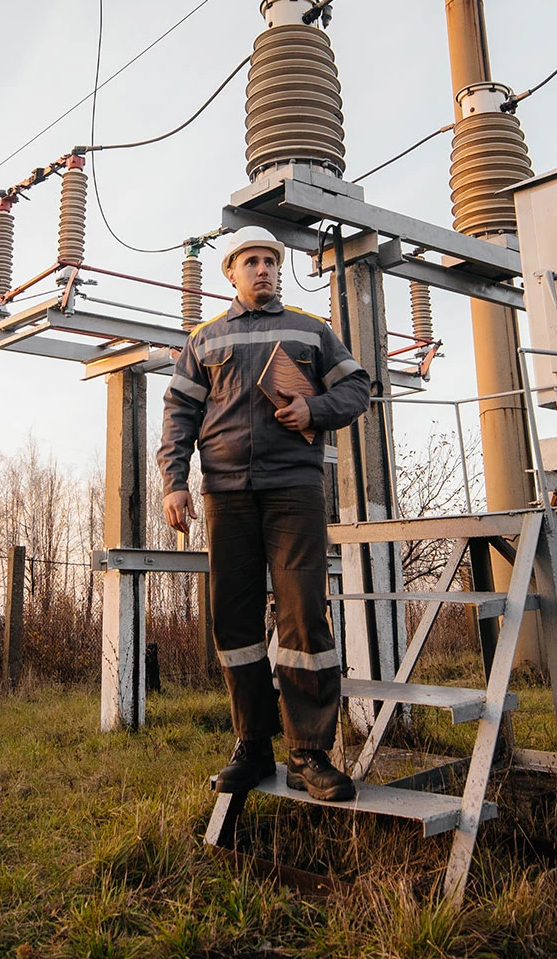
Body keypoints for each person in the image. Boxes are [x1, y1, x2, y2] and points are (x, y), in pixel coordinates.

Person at [157, 225, 371, 802]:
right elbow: (178, 413)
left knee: (304, 618)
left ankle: (309, 753)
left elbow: (358, 390)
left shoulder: (311, 329)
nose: (263, 269)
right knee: (235, 621)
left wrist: (313, 408)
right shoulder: (204, 339)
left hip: (294, 490)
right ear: (230, 272)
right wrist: (175, 483)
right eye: (250, 261)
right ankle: (253, 746)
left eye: (270, 260)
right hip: (224, 494)